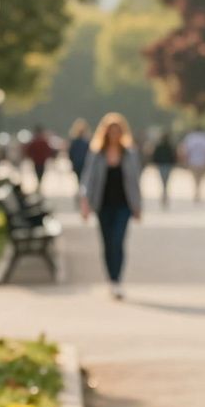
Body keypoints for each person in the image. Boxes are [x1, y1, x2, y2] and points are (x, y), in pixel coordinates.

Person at [78, 113, 142, 300]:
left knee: (118, 241)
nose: (114, 134)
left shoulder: (129, 154)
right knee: (107, 243)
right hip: (103, 204)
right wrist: (85, 204)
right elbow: (87, 180)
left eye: (117, 131)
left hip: (124, 205)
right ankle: (111, 278)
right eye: (111, 131)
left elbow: (135, 182)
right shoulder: (97, 154)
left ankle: (117, 279)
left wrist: (138, 206)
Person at [180, 125, 205, 203]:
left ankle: (197, 191)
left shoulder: (190, 137)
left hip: (193, 161)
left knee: (195, 178)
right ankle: (198, 191)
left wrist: (184, 161)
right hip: (204, 161)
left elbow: (185, 150)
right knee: (201, 178)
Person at [149, 131, 178, 210]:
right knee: (165, 180)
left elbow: (155, 155)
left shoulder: (163, 146)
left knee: (163, 180)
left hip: (163, 164)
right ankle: (164, 193)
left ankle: (164, 194)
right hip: (166, 164)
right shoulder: (169, 146)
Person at [25, 125, 55, 192]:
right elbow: (49, 151)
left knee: (38, 172)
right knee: (40, 172)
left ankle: (39, 183)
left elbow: (29, 151)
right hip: (41, 160)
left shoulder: (35, 141)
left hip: (37, 160)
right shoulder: (42, 141)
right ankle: (39, 183)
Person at [67, 119, 91, 186]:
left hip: (84, 163)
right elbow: (71, 153)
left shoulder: (86, 142)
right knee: (80, 178)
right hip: (78, 163)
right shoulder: (75, 141)